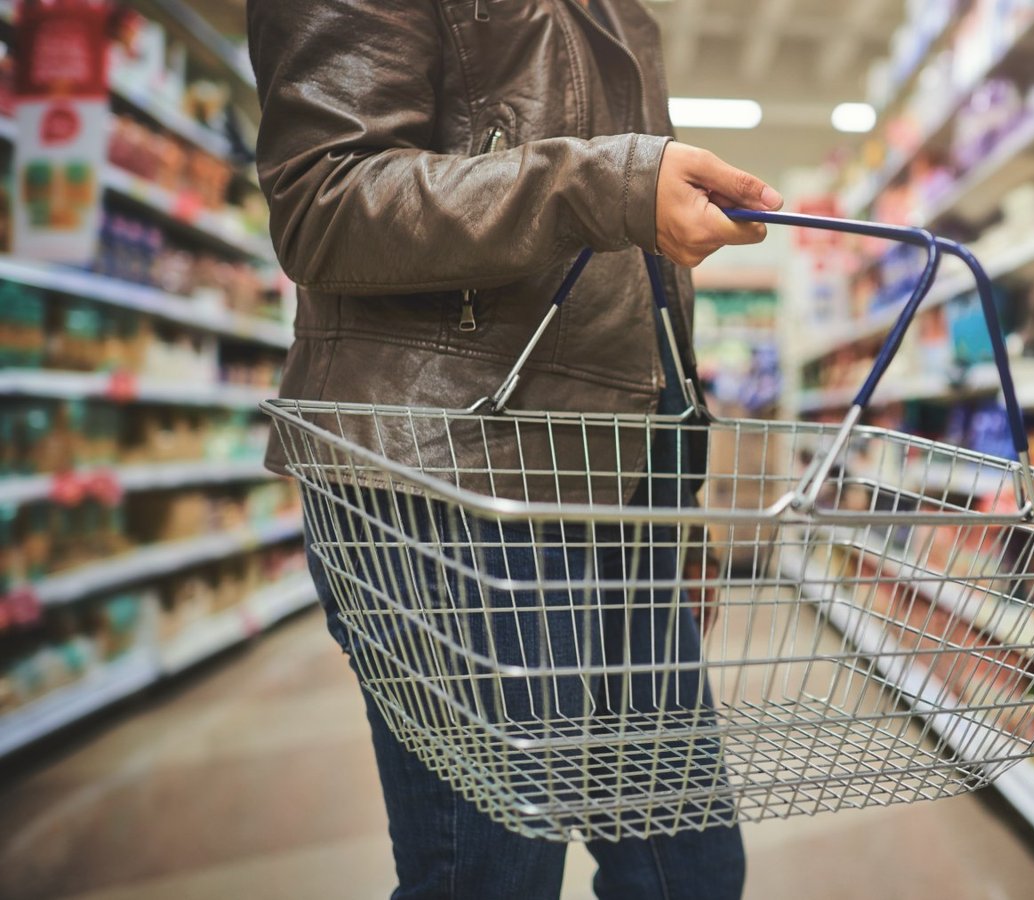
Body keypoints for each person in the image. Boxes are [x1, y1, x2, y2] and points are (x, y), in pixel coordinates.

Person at [246, 1, 780, 897]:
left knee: (690, 874)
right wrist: (606, 186)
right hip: (454, 471)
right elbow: (322, 200)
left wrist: (675, 486)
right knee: (492, 878)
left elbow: (635, 276)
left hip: (621, 477)